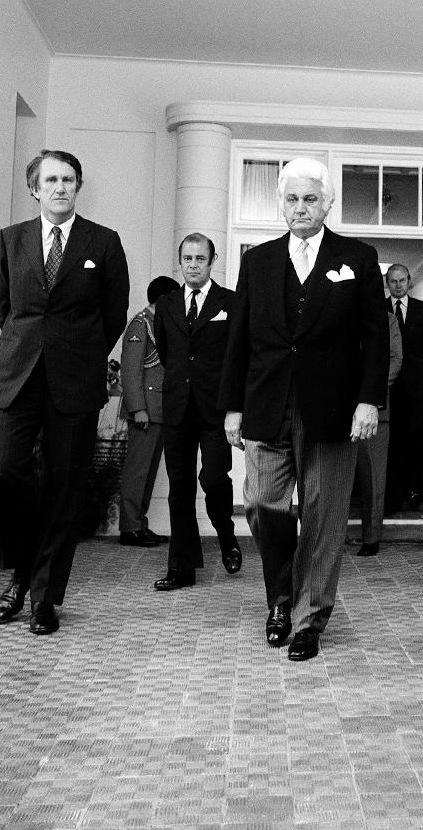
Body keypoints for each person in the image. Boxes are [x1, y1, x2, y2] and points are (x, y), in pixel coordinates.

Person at [219, 157, 389, 661]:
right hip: (265, 406)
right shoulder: (259, 261)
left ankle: (310, 618)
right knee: (262, 505)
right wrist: (231, 407)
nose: (300, 207)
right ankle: (280, 597)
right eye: (292, 199)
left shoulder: (357, 258)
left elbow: (374, 337)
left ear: (328, 203)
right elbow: (239, 341)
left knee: (324, 515)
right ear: (281, 203)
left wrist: (368, 401)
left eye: (310, 198)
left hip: (332, 410)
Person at [0, 149, 130, 635]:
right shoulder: (11, 240)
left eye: (68, 179)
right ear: (35, 188)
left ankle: (44, 598)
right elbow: (6, 308)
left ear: (77, 186)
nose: (60, 187)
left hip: (74, 382)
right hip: (17, 374)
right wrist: (31, 347)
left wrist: (79, 355)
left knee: (63, 489)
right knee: (3, 470)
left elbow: (113, 315)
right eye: (51, 180)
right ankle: (21, 571)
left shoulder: (103, 243)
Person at [152, 234, 240, 590]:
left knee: (215, 479)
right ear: (180, 261)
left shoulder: (230, 303)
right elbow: (168, 351)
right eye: (186, 258)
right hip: (177, 408)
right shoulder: (167, 304)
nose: (192, 265)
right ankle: (182, 567)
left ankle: (226, 536)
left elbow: (237, 357)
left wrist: (237, 407)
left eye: (199, 259)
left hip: (215, 409)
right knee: (180, 488)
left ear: (212, 260)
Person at [116, 275, 181, 547]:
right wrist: (138, 409)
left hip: (160, 411)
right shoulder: (141, 324)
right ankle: (130, 528)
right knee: (137, 472)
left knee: (149, 473)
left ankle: (139, 524)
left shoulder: (160, 324)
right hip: (145, 411)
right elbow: (130, 371)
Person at [354, 307, 402, 556]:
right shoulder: (335, 309)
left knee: (372, 477)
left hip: (375, 410)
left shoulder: (388, 320)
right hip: (335, 406)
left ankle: (371, 537)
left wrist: (370, 392)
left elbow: (395, 359)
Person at [385, 263, 423, 510]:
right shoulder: (379, 310)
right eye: (393, 281)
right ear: (387, 283)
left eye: (402, 280)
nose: (398, 285)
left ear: (409, 281)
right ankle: (392, 494)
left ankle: (414, 491)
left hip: (416, 388)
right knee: (391, 443)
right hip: (389, 388)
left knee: (415, 440)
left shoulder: (422, 310)